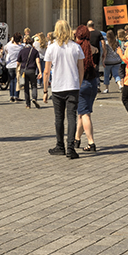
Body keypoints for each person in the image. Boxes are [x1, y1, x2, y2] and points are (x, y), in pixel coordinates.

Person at [43, 19, 84, 159]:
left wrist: (44, 90)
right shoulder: (76, 47)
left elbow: (46, 71)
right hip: (72, 86)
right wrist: (79, 84)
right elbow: (81, 69)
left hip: (57, 87)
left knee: (58, 117)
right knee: (71, 117)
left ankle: (60, 145)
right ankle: (70, 148)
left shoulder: (51, 48)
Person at [73, 26, 101, 153]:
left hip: (81, 83)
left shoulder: (75, 48)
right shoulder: (92, 48)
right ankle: (77, 139)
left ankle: (91, 142)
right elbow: (95, 53)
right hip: (93, 82)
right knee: (83, 112)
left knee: (84, 114)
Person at [18, 34, 43, 109]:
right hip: (32, 70)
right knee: (34, 85)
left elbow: (18, 62)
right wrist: (40, 71)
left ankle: (28, 104)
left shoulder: (22, 51)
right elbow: (38, 62)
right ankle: (34, 98)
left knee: (26, 87)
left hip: (24, 71)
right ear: (32, 44)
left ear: (25, 44)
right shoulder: (35, 51)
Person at [4, 33, 24, 104]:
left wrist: (11, 40)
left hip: (10, 65)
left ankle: (11, 96)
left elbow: (5, 47)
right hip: (17, 65)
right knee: (17, 81)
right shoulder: (20, 47)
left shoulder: (9, 46)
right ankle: (16, 96)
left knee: (11, 81)